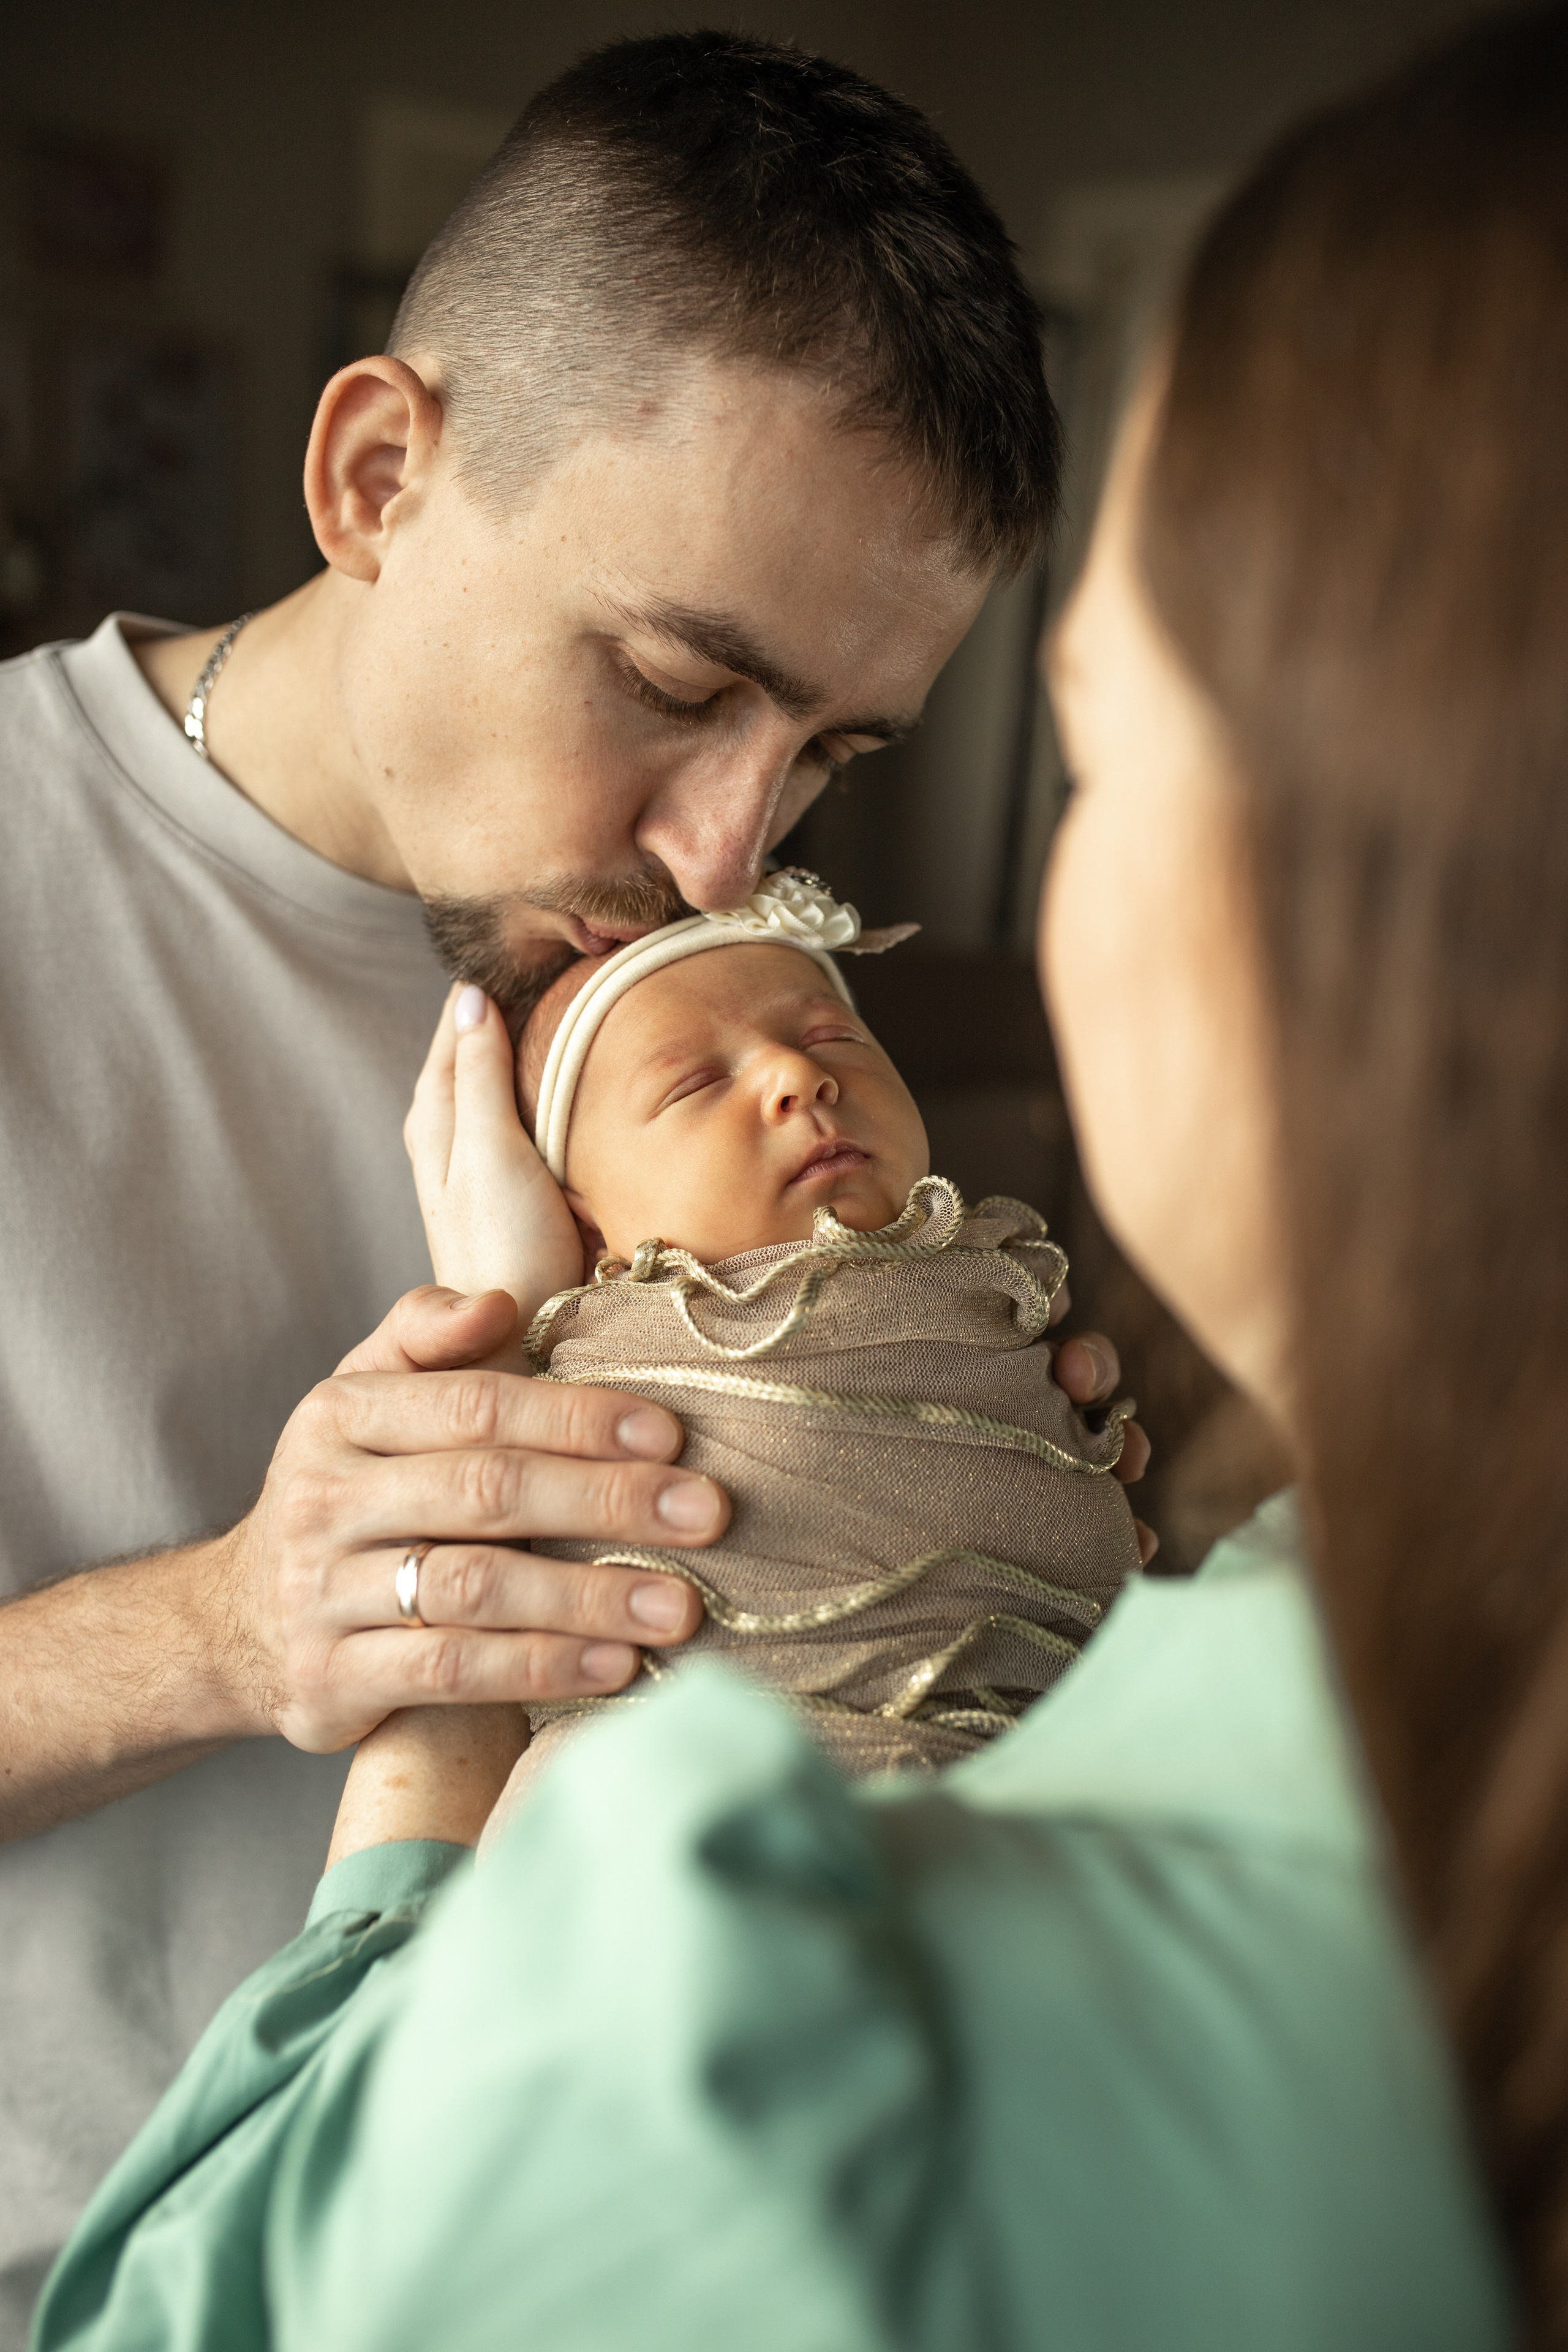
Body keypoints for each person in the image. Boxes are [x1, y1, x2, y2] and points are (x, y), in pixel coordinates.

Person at [32, 6, 1568, 2345]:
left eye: (833, 747)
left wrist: (1001, 1513)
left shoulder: (779, 1038)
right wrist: (238, 1631)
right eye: (668, 678)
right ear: (373, 474)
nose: (733, 854)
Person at [406, 871, 1140, 1785]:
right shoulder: (571, 1363)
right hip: (692, 1797)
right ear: (589, 1224)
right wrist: (508, 1318)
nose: (801, 1075)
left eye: (833, 1036)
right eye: (695, 1083)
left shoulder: (1006, 1273)